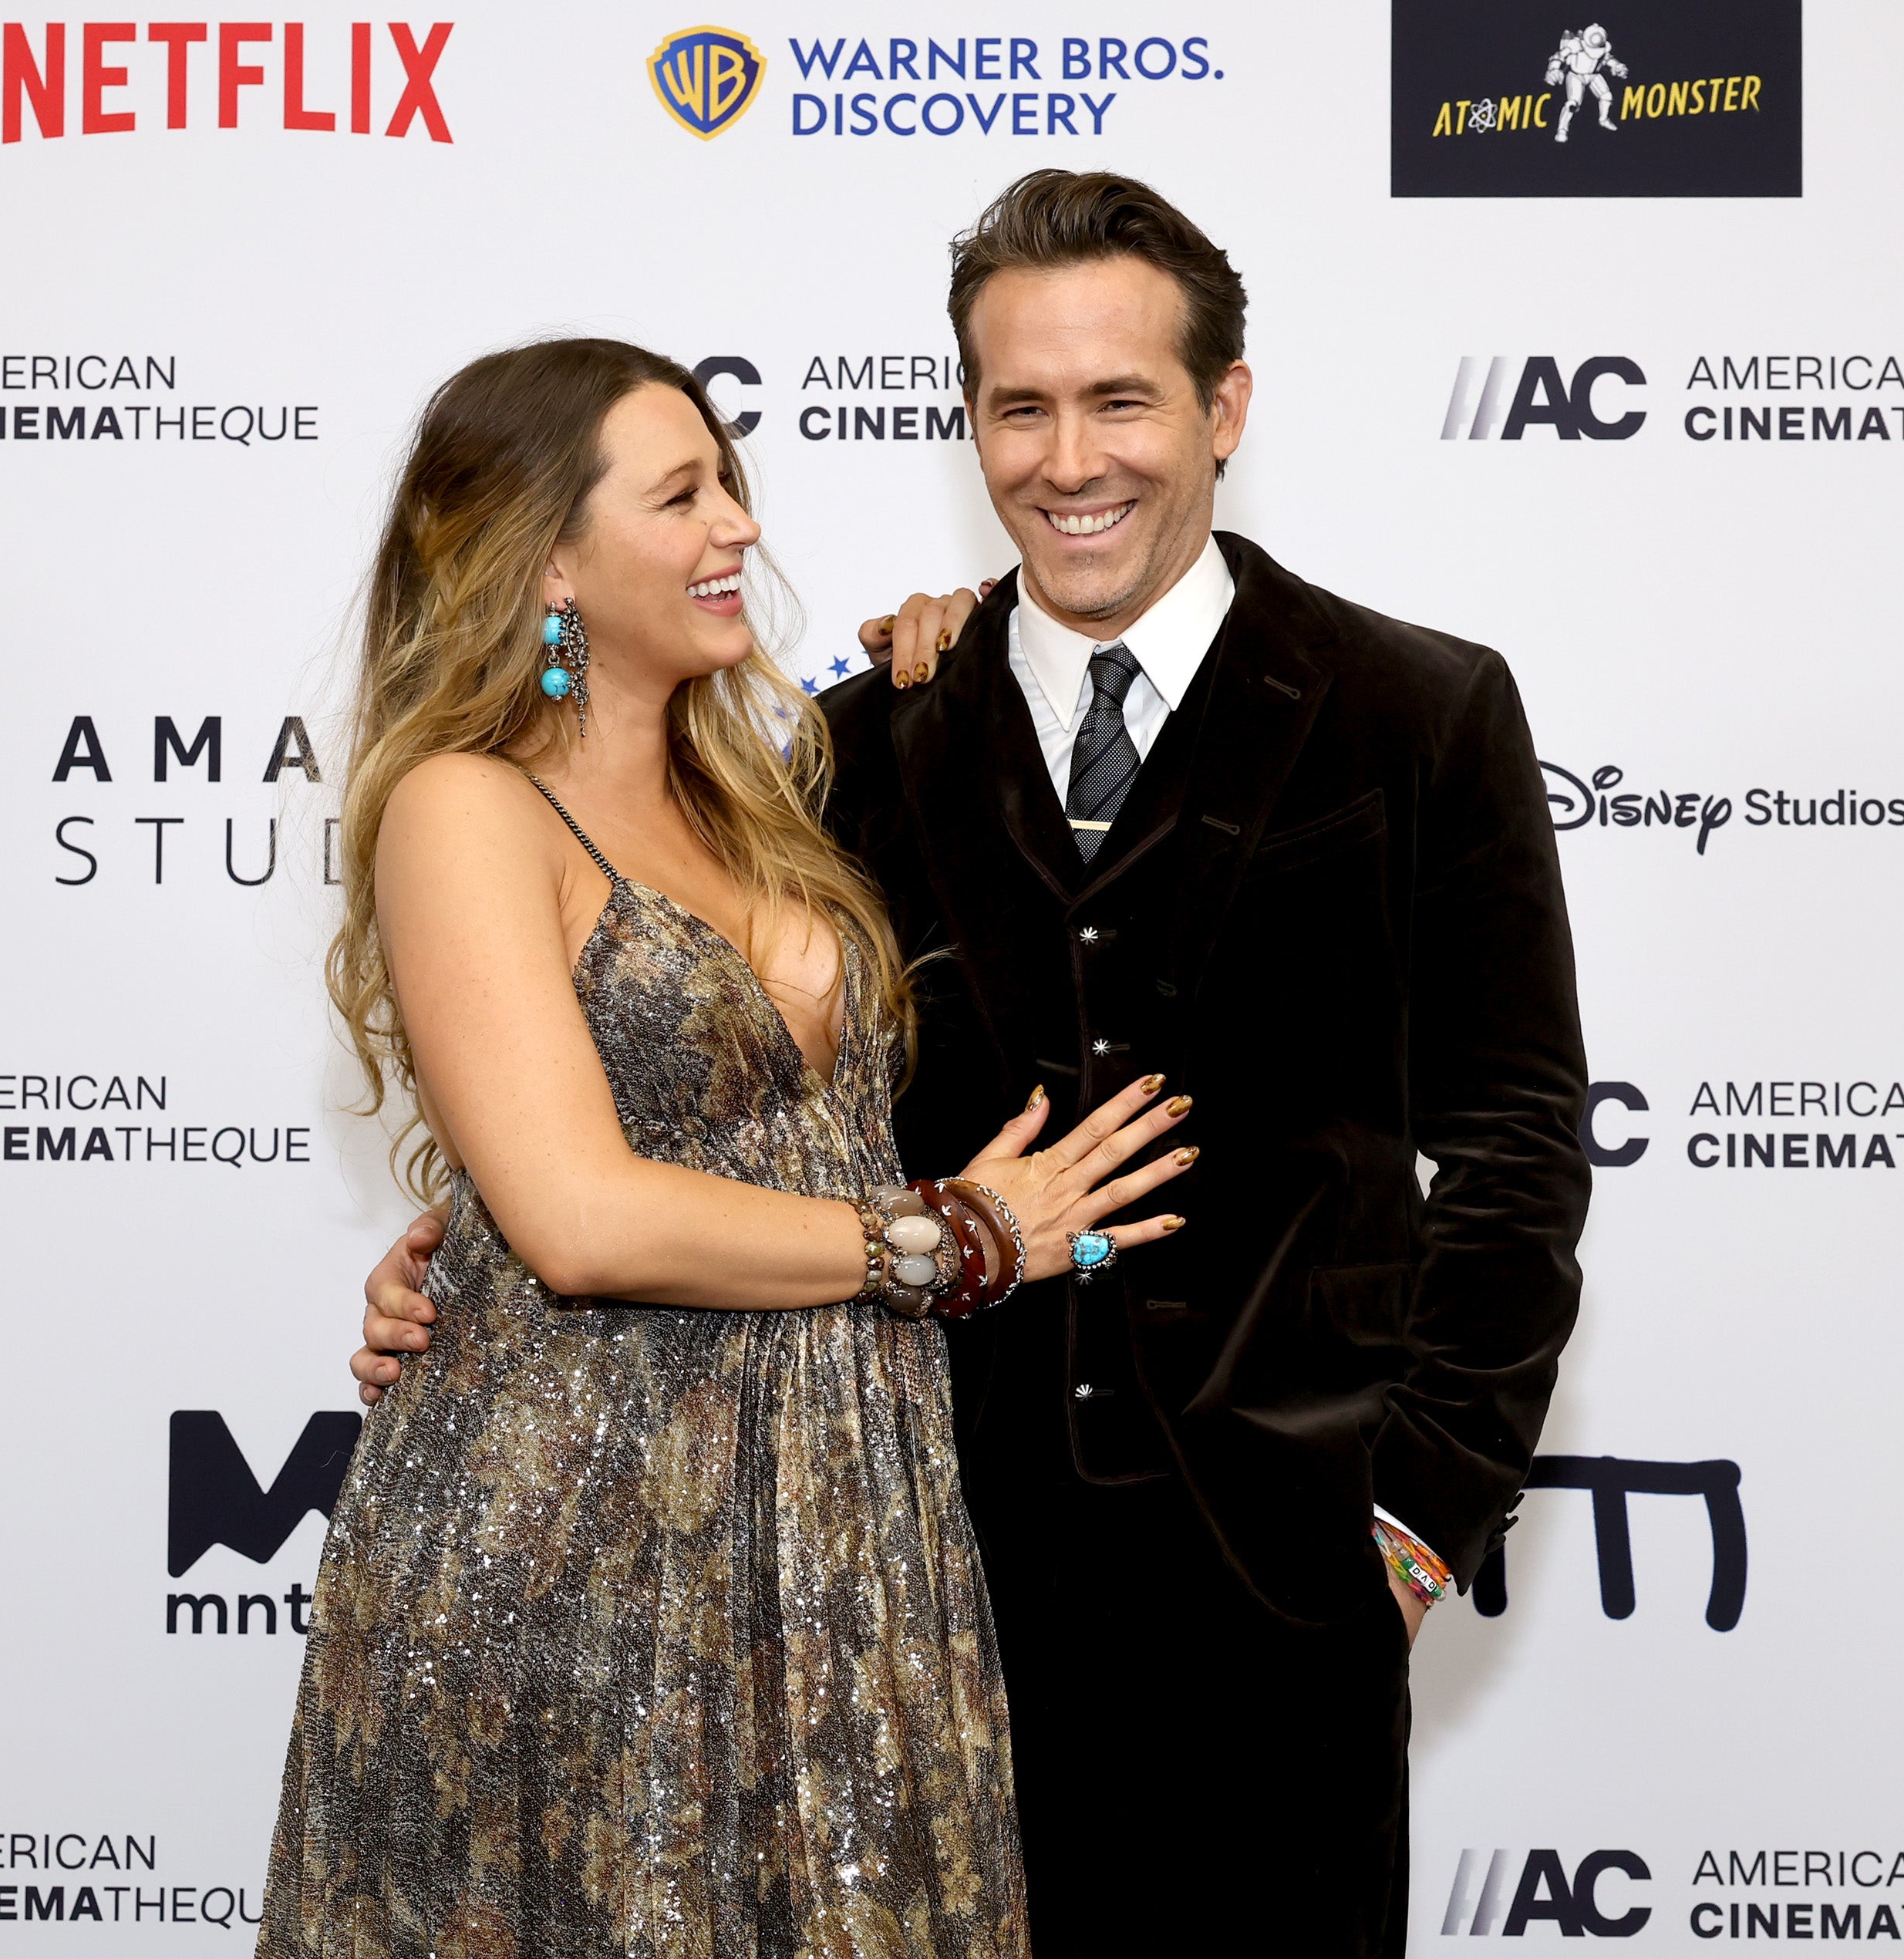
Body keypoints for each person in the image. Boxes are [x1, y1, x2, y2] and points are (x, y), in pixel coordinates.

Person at [355, 174, 1590, 1956]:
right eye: (1020, 406)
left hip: (1281, 1618)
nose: (1068, 457)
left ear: (1222, 410)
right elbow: (666, 1090)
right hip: (898, 1609)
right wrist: (463, 1258)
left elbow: (1519, 1150)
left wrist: (1406, 1528)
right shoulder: (846, 748)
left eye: (1120, 401)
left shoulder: (1423, 710)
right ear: (969, 423)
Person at [268, 335, 1198, 1957]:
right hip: (575, 1544)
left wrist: (977, 644)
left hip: (845, 1527)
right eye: (682, 493)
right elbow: (575, 1217)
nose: (738, 530)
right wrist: (950, 1237)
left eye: (735, 485)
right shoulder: (465, 806)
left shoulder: (774, 789)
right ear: (546, 553)